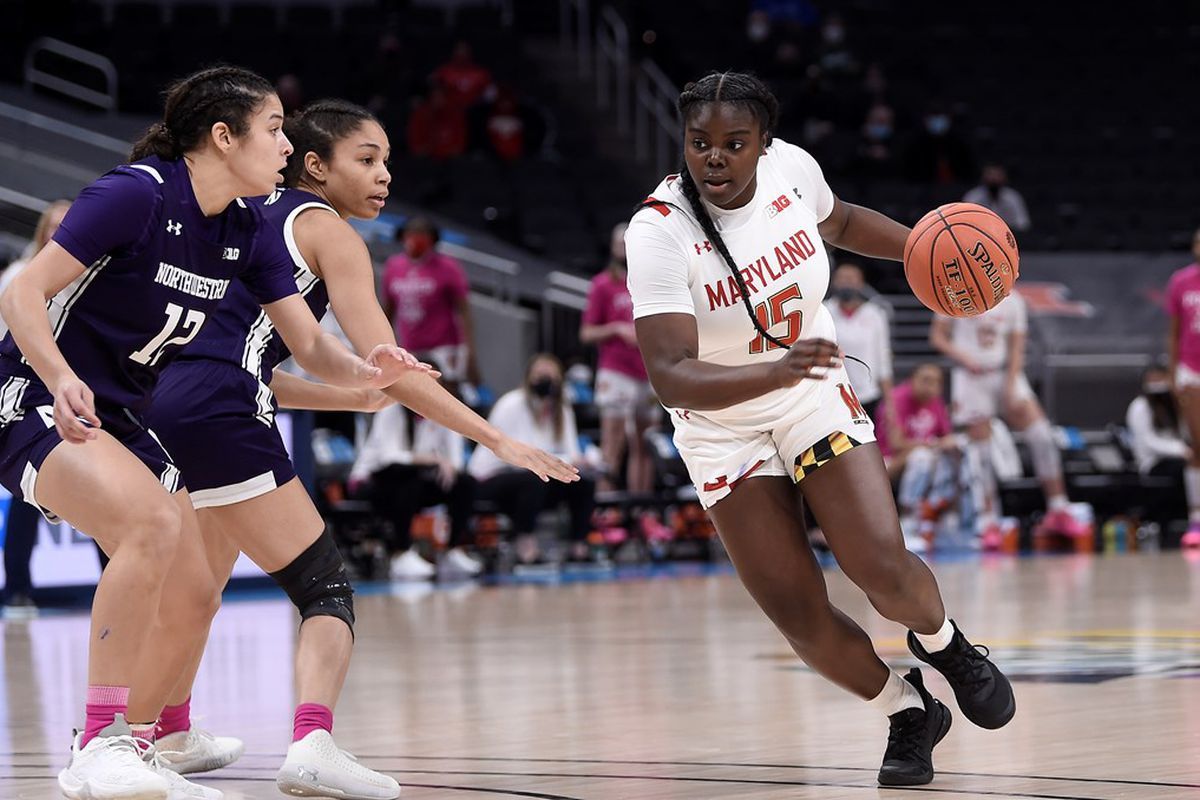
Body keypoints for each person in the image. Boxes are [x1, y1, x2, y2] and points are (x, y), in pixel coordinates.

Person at [0, 66, 420, 800]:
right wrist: (61, 377)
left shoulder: (248, 228)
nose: (287, 147)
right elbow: (21, 291)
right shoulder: (136, 194)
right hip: (31, 393)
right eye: (273, 130)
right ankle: (100, 743)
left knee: (195, 591)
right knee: (151, 522)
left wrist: (365, 368)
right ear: (223, 138)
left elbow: (311, 346)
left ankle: (137, 744)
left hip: (118, 416)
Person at [144, 100, 578, 797]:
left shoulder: (245, 215)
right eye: (366, 159)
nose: (384, 177)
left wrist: (351, 397)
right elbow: (390, 365)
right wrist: (498, 438)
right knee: (325, 586)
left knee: (198, 591)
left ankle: (165, 731)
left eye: (387, 161)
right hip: (223, 412)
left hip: (165, 403)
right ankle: (311, 743)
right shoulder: (326, 232)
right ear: (316, 165)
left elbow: (256, 365)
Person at [625, 71, 1014, 787]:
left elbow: (838, 222)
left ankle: (946, 645)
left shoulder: (792, 171)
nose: (713, 157)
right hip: (719, 424)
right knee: (798, 614)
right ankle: (908, 711)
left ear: (763, 145)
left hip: (812, 395)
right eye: (699, 142)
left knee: (880, 569)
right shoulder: (658, 232)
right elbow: (671, 373)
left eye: (733, 143)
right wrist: (775, 371)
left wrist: (929, 253)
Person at [929, 292, 1082, 549]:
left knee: (1041, 434)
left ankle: (1058, 508)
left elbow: (1016, 345)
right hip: (970, 376)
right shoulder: (952, 292)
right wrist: (963, 356)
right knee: (982, 452)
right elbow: (937, 336)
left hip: (1004, 372)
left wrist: (1011, 384)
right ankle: (989, 521)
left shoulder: (1014, 300)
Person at [0, 200, 70, 619]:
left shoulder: (90, 276)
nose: (59, 233)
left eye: (69, 226)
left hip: (80, 398)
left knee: (115, 507)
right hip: (27, 400)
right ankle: (18, 591)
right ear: (41, 230)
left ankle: (114, 589)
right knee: (28, 505)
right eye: (54, 226)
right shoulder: (16, 278)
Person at [350, 370, 482, 580]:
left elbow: (455, 459)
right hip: (374, 482)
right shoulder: (391, 407)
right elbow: (389, 457)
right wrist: (433, 460)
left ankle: (452, 549)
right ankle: (401, 553)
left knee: (465, 483)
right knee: (408, 477)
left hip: (416, 482)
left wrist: (448, 467)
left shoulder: (442, 412)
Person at [469, 354, 596, 564]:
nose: (546, 383)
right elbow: (522, 455)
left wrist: (583, 461)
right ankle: (525, 547)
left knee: (583, 481)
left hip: (534, 477)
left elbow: (571, 453)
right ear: (529, 378)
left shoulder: (562, 410)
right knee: (532, 479)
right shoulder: (512, 403)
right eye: (540, 376)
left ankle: (578, 547)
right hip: (491, 476)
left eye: (551, 377)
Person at [580, 223, 656, 494]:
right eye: (618, 242)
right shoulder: (602, 284)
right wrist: (615, 329)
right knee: (613, 442)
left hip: (647, 370)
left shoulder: (649, 281)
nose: (623, 247)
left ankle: (641, 510)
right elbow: (586, 333)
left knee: (646, 444)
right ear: (612, 248)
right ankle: (605, 510)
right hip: (616, 370)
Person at [381, 216, 479, 384]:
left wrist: (469, 351)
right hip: (409, 347)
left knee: (445, 389)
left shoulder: (448, 267)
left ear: (432, 239)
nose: (416, 238)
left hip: (443, 348)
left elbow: (464, 311)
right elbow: (387, 311)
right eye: (411, 233)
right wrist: (384, 344)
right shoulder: (393, 266)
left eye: (422, 233)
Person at [875, 364, 962, 551]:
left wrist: (950, 444)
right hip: (887, 461)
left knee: (958, 452)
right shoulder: (896, 400)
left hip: (923, 459)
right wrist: (932, 444)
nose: (930, 387)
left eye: (936, 382)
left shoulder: (935, 403)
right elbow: (896, 444)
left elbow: (945, 437)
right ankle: (907, 523)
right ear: (912, 380)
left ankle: (948, 521)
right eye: (925, 380)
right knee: (922, 457)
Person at [1126, 363, 1197, 536]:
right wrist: (1181, 450)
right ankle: (1194, 515)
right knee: (1185, 469)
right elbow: (1149, 441)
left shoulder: (1173, 405)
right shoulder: (1140, 406)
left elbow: (1184, 433)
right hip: (1153, 462)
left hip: (1179, 457)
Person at [1164, 229, 1200, 548]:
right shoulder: (1181, 281)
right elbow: (1173, 332)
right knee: (1197, 444)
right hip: (1191, 370)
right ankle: (1196, 517)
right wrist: (1173, 372)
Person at [823, 262, 893, 422]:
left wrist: (889, 402)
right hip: (833, 393)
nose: (846, 283)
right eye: (842, 278)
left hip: (868, 393)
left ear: (861, 283)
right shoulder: (825, 311)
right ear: (834, 282)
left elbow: (883, 358)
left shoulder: (874, 314)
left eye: (851, 279)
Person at [963, 164, 1031, 232]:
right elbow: (965, 222)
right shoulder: (973, 196)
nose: (993, 179)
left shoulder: (1013, 197)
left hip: (1008, 235)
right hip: (978, 234)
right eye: (990, 174)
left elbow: (1022, 224)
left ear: (1005, 177)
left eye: (997, 175)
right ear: (983, 177)